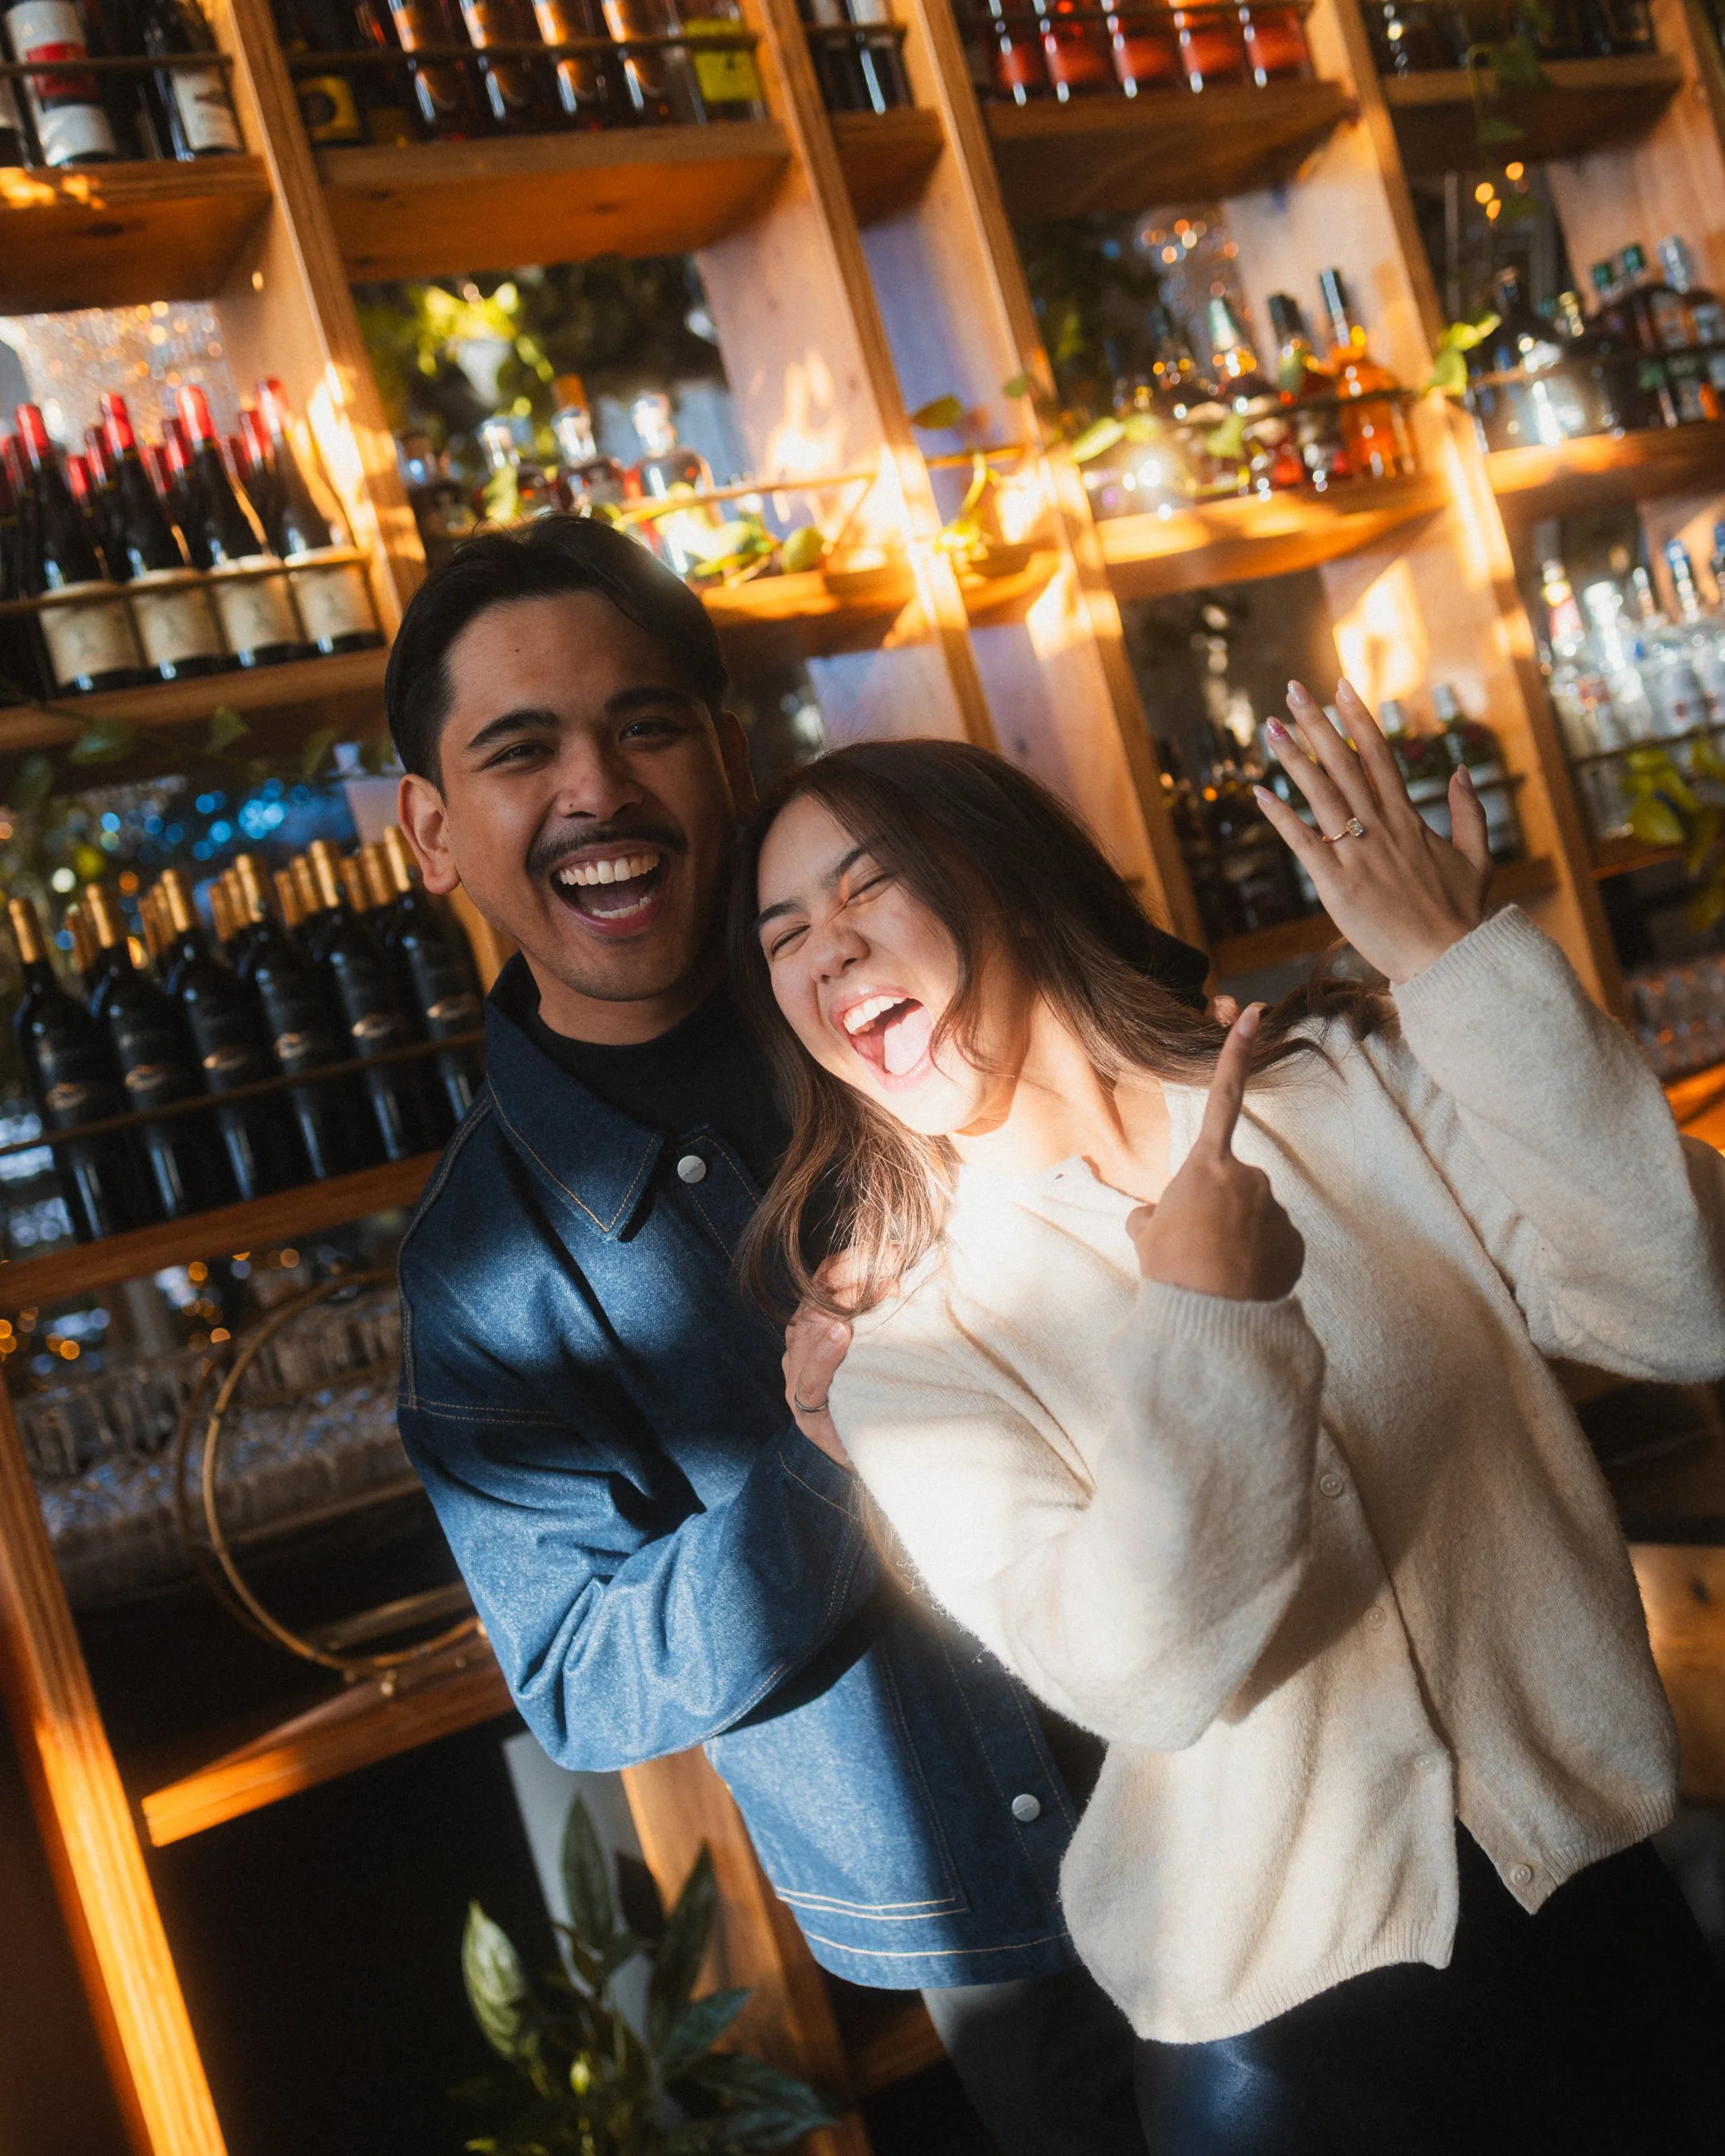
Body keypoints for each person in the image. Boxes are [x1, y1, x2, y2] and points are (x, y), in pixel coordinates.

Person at [736, 694, 1725, 2155]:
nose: (826, 949)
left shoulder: (1345, 1094)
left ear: (1007, 878)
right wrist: (1212, 1318)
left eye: (865, 883)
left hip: (1609, 1929)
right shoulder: (910, 1352)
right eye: (783, 938)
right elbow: (1140, 1667)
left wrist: (1455, 964)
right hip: (1292, 2068)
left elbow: (1680, 1300)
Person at [387, 513, 1199, 2154]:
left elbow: (1181, 1100)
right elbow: (578, 1679)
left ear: (728, 752)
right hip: (1011, 1905)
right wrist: (832, 1462)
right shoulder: (481, 1270)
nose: (598, 788)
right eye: (521, 751)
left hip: (1266, 1720)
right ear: (433, 831)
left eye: (647, 724)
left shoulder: (912, 969)